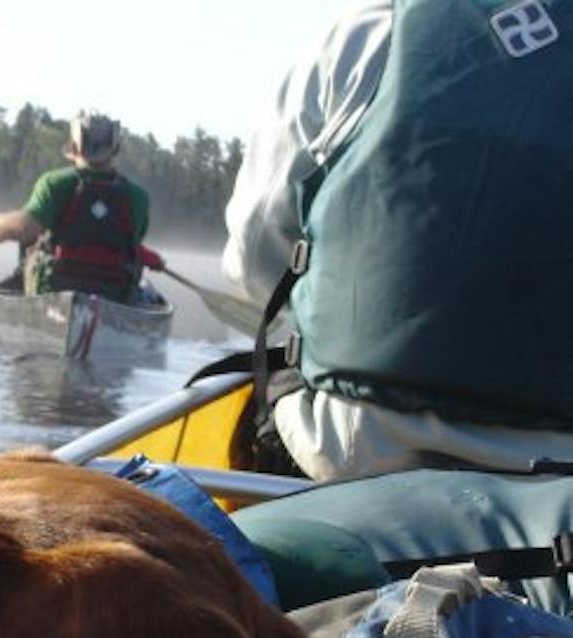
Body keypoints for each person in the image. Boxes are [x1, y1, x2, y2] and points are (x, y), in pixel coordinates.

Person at [223, 0, 573, 481]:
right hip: (562, 479)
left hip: (350, 447)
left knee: (269, 384)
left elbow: (255, 255)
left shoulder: (365, 30)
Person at [0, 111, 152, 303]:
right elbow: (132, 244)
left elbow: (24, 229)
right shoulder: (138, 197)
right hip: (113, 297)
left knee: (32, 245)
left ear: (73, 146)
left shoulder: (55, 184)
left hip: (54, 292)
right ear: (116, 149)